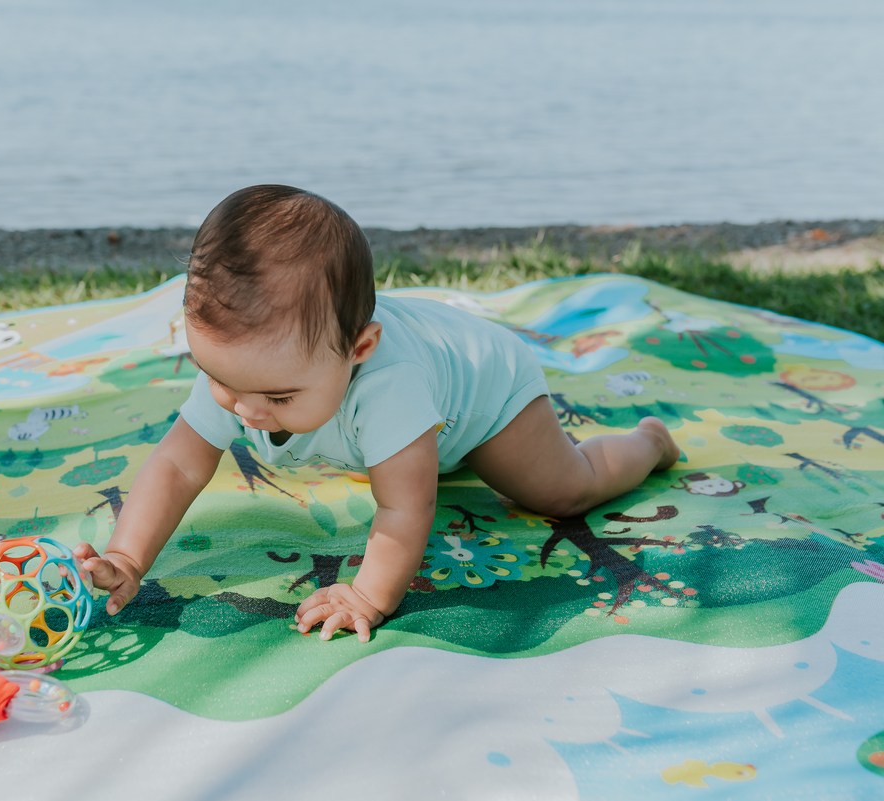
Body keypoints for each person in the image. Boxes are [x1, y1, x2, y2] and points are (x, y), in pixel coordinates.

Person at [71, 185, 679, 642]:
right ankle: (407, 453)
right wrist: (126, 558)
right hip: (413, 422)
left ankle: (646, 442)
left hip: (485, 396)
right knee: (398, 459)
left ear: (358, 350)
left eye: (280, 398)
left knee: (558, 492)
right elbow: (177, 466)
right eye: (221, 381)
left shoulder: (390, 385)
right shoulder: (249, 376)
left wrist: (368, 594)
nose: (248, 412)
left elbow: (405, 508)